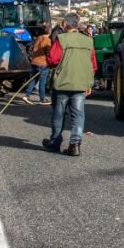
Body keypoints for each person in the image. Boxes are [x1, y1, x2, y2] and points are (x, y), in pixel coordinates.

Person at [43, 13, 97, 157]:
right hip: (81, 83)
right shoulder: (88, 41)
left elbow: (53, 60)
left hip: (63, 83)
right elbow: (93, 64)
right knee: (78, 115)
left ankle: (55, 141)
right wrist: (89, 83)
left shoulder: (61, 39)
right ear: (77, 24)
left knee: (58, 114)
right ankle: (75, 144)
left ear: (65, 24)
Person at [22, 30, 52, 104]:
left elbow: (31, 48)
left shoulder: (38, 38)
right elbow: (49, 53)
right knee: (42, 82)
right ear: (49, 32)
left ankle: (26, 95)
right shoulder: (47, 40)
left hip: (34, 62)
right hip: (43, 63)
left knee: (34, 80)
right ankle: (42, 99)